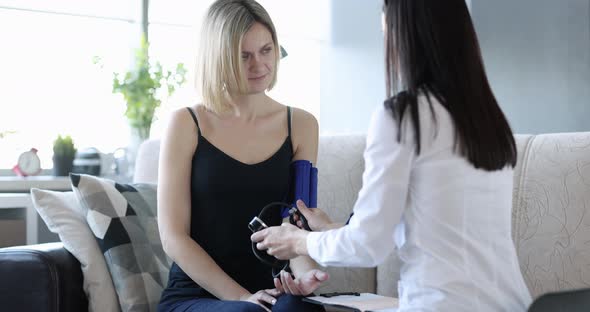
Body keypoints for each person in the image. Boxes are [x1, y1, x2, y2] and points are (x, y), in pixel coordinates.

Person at [251, 0, 533, 311]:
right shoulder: (488, 119)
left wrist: (297, 241)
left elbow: (369, 246)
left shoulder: (403, 116)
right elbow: (434, 225)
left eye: (386, 29)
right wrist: (330, 229)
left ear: (406, 36)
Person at [157, 0, 328, 311]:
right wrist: (240, 297)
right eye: (243, 56)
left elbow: (296, 223)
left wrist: (304, 276)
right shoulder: (186, 123)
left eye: (266, 50)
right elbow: (173, 238)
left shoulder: (301, 125)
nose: (260, 65)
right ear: (219, 59)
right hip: (197, 296)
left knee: (303, 309)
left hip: (270, 290)